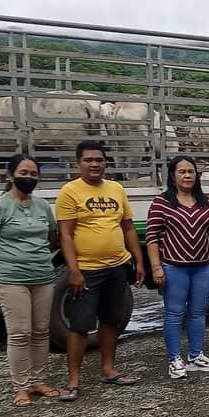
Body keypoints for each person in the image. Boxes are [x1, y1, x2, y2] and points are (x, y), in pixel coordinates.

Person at [55, 140, 146, 401]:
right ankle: (73, 380)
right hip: (87, 270)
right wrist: (73, 270)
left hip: (117, 267)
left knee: (110, 321)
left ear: (106, 162)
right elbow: (66, 234)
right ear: (78, 163)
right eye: (88, 160)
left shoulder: (116, 189)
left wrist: (138, 261)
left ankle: (108, 370)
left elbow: (128, 227)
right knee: (80, 325)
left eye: (99, 159)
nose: (94, 164)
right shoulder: (70, 191)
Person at [0, 154, 61, 408]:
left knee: (41, 331)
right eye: (23, 173)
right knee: (19, 333)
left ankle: (38, 380)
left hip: (43, 277)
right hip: (11, 279)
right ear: (11, 175)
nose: (29, 178)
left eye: (33, 174)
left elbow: (52, 236)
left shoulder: (42, 206)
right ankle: (20, 387)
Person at [146, 156, 209, 379]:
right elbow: (152, 238)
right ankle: (174, 359)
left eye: (191, 172)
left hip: (202, 268)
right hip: (174, 268)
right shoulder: (161, 203)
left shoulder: (207, 203)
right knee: (174, 314)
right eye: (182, 172)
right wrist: (157, 268)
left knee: (198, 313)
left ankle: (195, 356)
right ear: (173, 176)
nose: (187, 176)